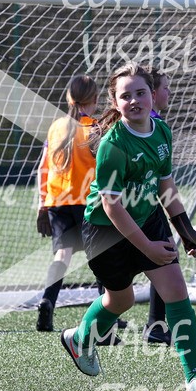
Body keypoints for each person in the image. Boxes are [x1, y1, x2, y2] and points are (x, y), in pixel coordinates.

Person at [60, 61, 196, 391]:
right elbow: (111, 205)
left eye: (140, 93)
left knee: (177, 291)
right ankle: (80, 339)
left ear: (152, 94)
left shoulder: (162, 130)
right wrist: (148, 247)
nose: (134, 100)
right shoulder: (112, 144)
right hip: (107, 230)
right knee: (120, 300)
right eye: (125, 96)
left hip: (149, 218)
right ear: (115, 102)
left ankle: (195, 377)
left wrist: (187, 232)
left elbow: (166, 187)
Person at [36, 75, 126, 341]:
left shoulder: (55, 128)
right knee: (101, 256)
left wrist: (43, 205)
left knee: (62, 256)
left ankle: (47, 301)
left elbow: (43, 166)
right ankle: (105, 323)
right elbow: (105, 167)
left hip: (57, 201)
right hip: (88, 201)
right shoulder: (95, 130)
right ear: (96, 100)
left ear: (68, 98)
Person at [141, 65, 172, 346]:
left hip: (149, 207)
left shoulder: (158, 125)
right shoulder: (146, 125)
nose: (169, 92)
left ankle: (156, 324)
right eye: (165, 87)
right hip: (139, 209)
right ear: (152, 93)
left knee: (165, 259)